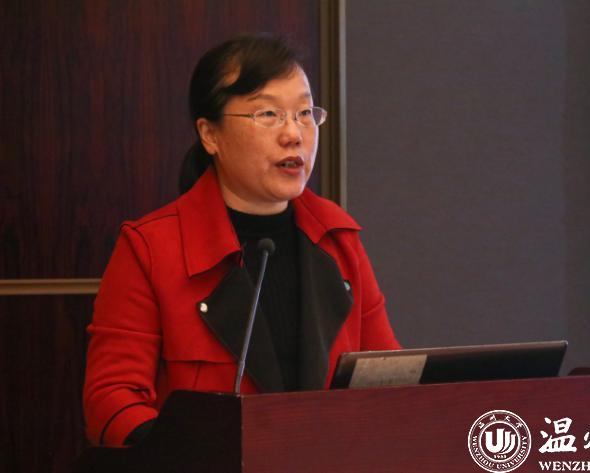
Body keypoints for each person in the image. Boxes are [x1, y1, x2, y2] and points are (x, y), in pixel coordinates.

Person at [83, 34, 400, 447]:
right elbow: (111, 400)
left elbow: (388, 379)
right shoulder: (150, 249)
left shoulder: (338, 240)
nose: (294, 134)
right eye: (268, 114)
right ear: (210, 135)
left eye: (305, 113)